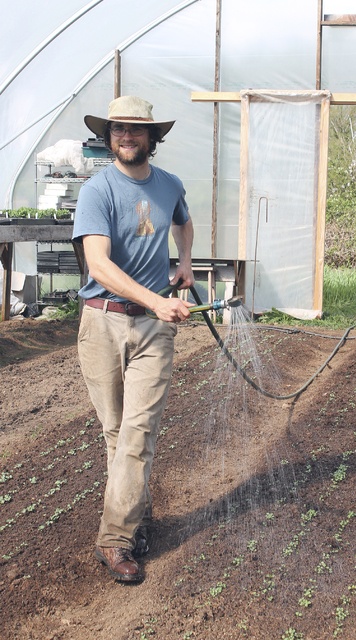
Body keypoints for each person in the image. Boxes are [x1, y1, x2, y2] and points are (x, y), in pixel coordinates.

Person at [72, 95, 194, 582]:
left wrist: (184, 263)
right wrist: (157, 298)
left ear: (152, 138)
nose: (127, 137)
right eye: (119, 130)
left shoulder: (169, 186)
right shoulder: (97, 191)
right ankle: (136, 518)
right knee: (116, 434)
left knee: (138, 434)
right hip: (101, 322)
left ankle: (115, 539)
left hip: (152, 330)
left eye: (136, 131)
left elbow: (183, 222)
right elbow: (98, 264)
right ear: (109, 137)